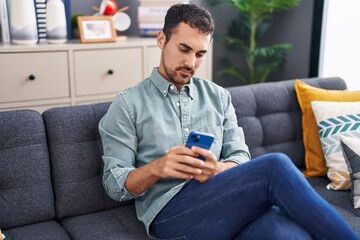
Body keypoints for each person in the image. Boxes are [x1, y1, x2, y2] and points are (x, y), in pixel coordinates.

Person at [99, 3, 359, 240]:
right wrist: (158, 167)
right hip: (171, 216)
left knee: (286, 233)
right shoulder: (128, 104)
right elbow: (114, 183)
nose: (191, 62)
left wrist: (218, 170)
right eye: (184, 49)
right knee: (274, 166)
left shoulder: (219, 97)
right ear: (161, 39)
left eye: (200, 53)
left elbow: (239, 156)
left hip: (227, 204)